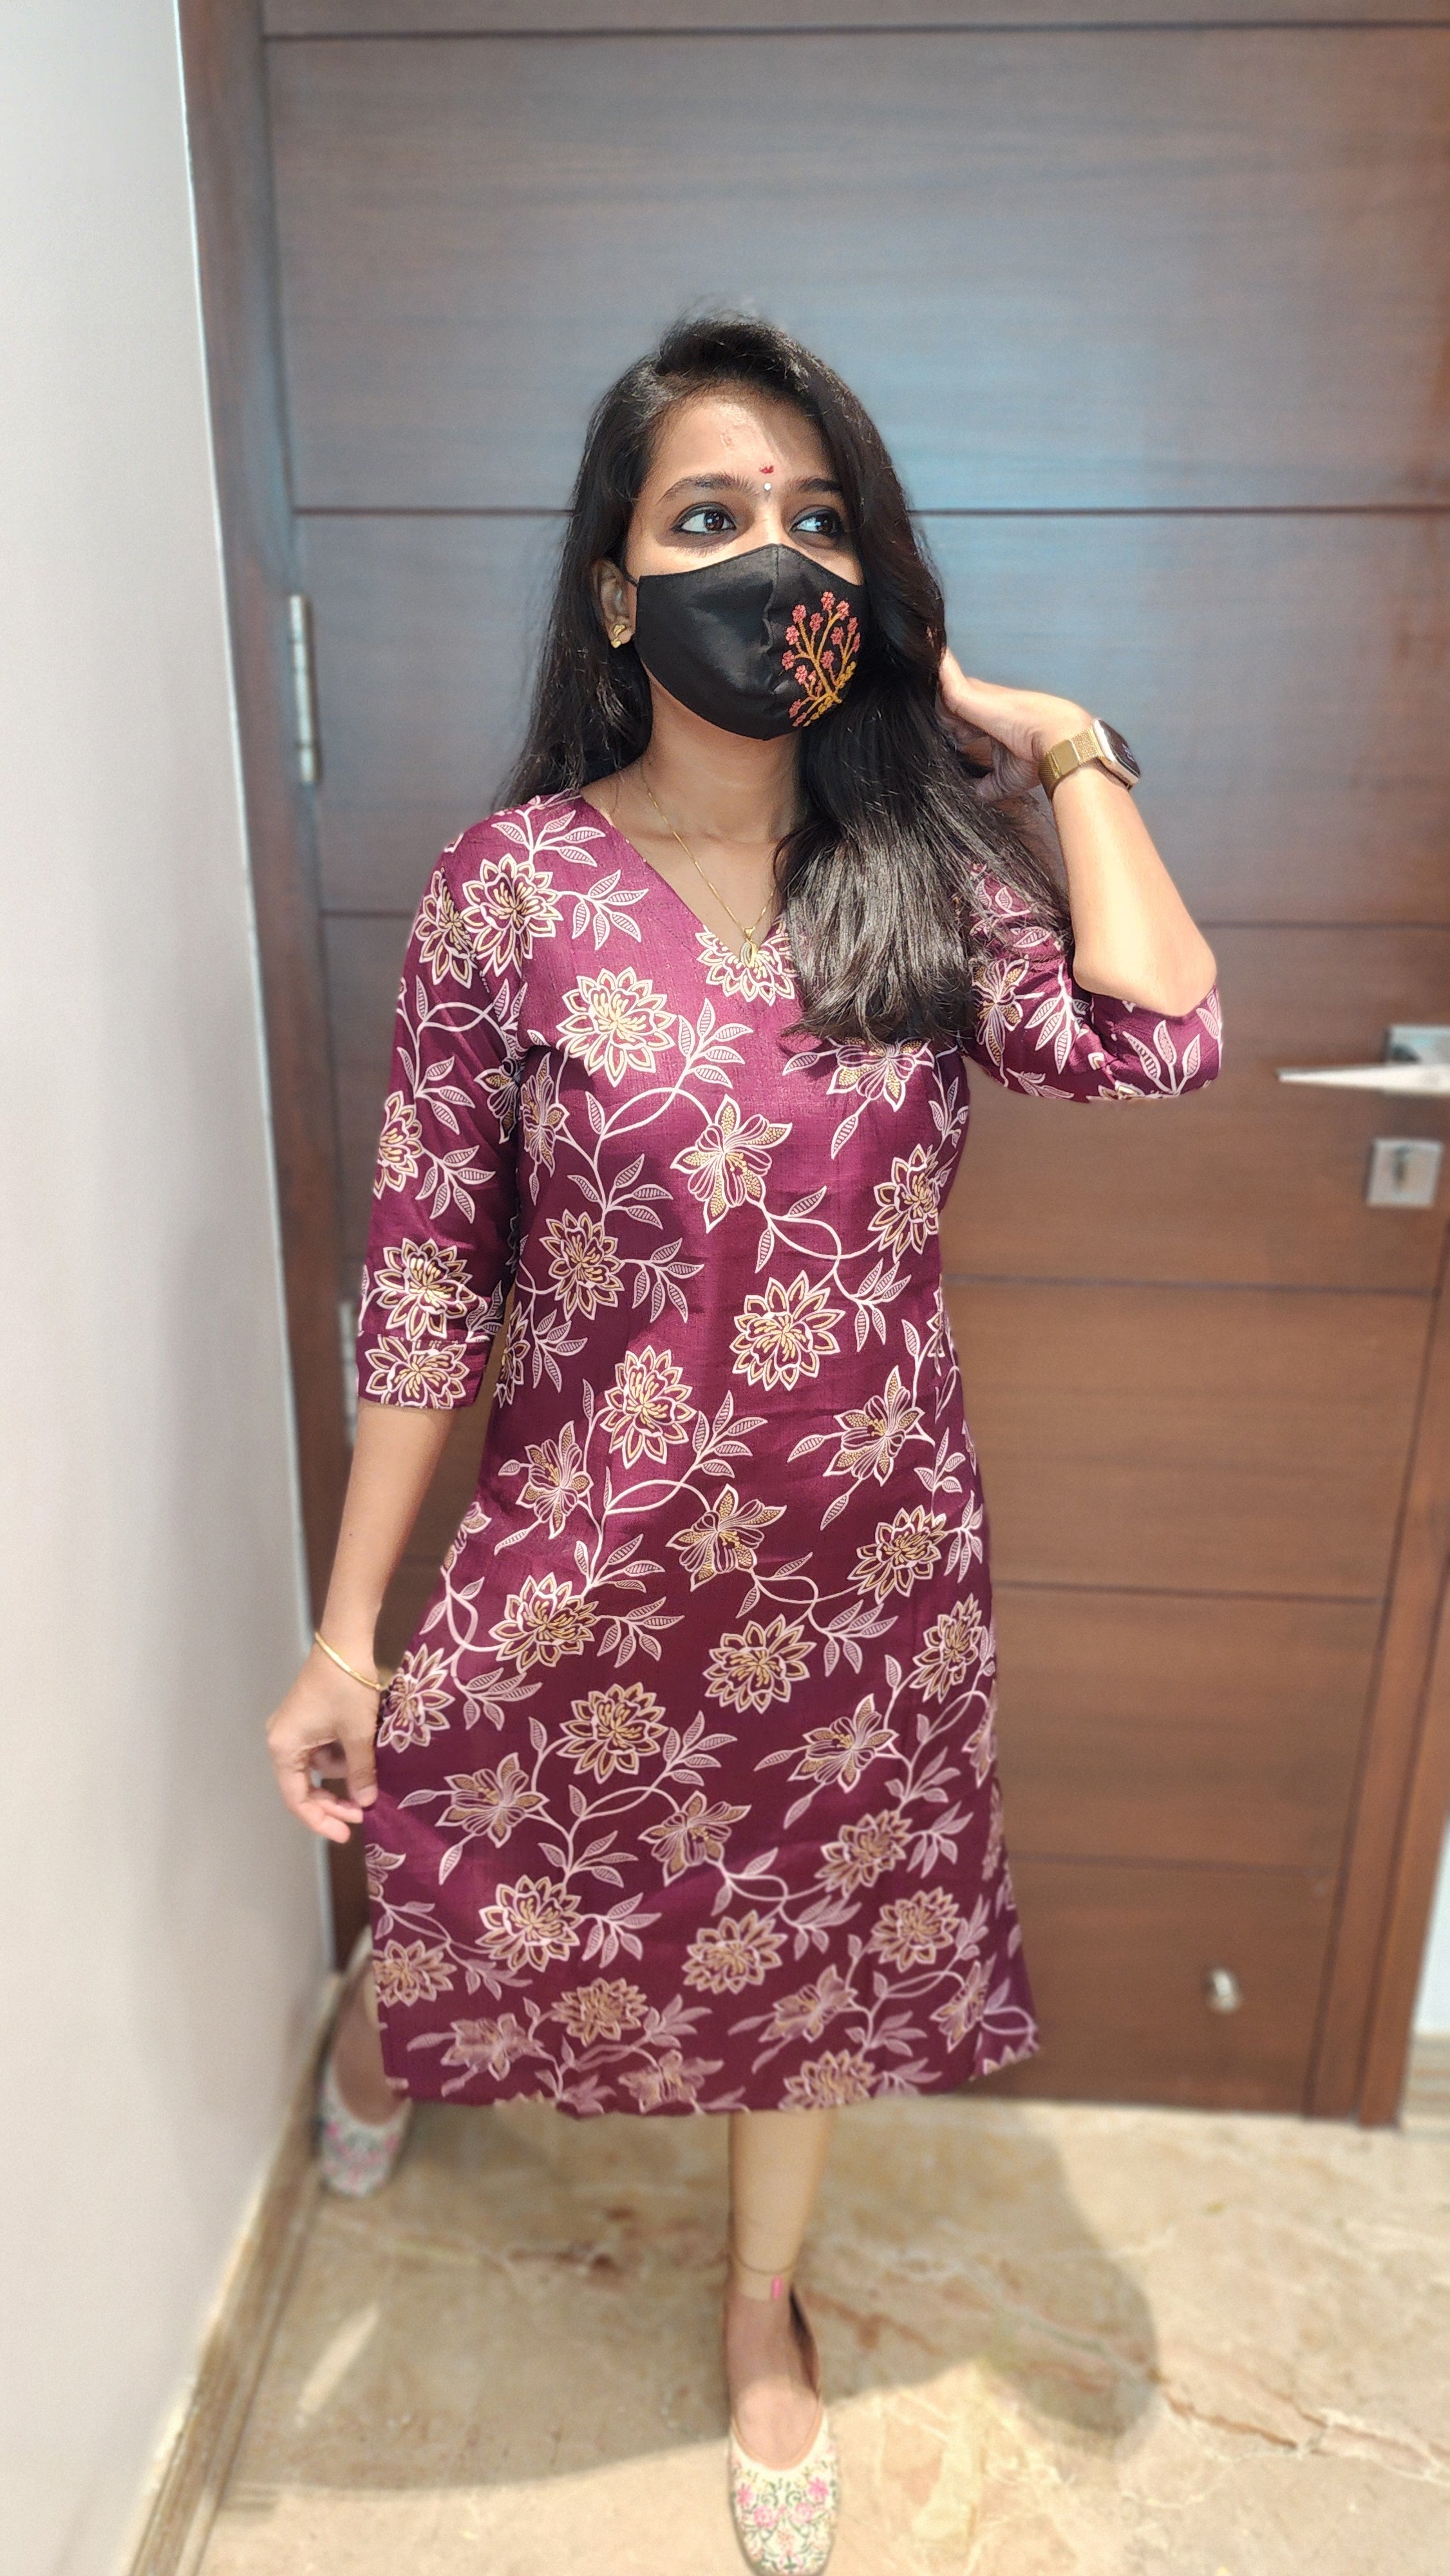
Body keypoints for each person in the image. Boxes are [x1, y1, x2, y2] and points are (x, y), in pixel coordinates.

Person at [265, 313, 1219, 2574]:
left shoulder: (919, 875)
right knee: (474, 1848)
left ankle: (759, 2309)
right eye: (709, 517)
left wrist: (1050, 738)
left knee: (805, 1966)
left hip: (864, 1583)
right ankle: (392, 2038)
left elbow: (1161, 1034)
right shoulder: (509, 890)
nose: (770, 560)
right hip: (584, 1543)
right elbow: (431, 1276)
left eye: (815, 523)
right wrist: (348, 1631)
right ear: (617, 587)